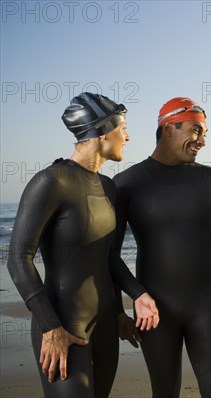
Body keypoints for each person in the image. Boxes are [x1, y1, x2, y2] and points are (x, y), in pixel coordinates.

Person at [7, 92, 159, 398]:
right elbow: (18, 258)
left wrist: (133, 298)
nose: (128, 136)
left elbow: (108, 257)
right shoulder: (52, 181)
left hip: (105, 325)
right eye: (123, 128)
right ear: (103, 132)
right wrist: (50, 328)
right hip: (62, 326)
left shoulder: (107, 187)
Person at [112, 97, 211, 398]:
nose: (203, 141)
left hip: (205, 305)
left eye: (204, 133)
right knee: (165, 391)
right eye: (196, 131)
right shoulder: (127, 183)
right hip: (154, 311)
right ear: (169, 128)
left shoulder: (208, 177)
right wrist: (126, 304)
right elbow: (109, 254)